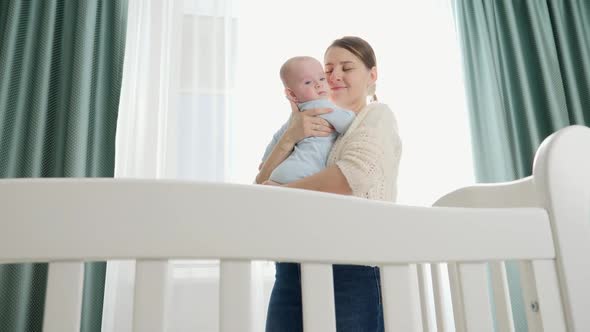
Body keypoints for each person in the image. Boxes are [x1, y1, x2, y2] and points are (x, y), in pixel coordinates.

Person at [256, 36, 402, 332]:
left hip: (352, 264)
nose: (334, 76)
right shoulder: (307, 125)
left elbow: (353, 176)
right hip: (293, 262)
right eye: (327, 70)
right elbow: (260, 186)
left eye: (346, 68)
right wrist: (290, 136)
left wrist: (282, 194)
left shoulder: (375, 117)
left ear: (371, 76)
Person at [266, 56, 355, 184]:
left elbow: (277, 138)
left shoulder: (295, 116)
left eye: (321, 78)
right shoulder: (321, 106)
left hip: (283, 171)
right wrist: (355, 114)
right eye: (308, 82)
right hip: (304, 171)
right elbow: (348, 123)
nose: (318, 84)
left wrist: (265, 160)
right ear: (292, 94)